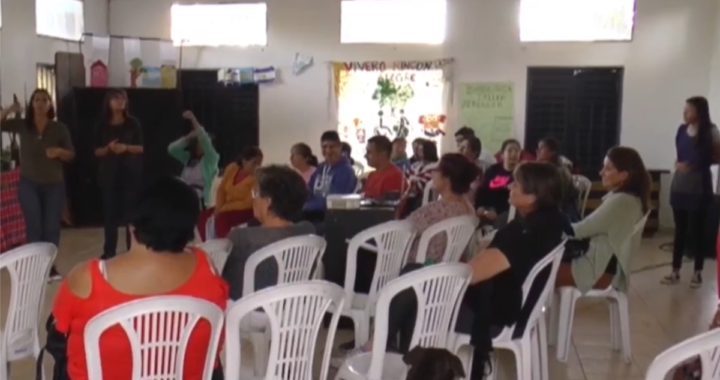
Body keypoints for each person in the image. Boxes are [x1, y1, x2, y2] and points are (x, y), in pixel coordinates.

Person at [336, 162, 568, 379]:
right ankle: (391, 353)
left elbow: (470, 275)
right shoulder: (545, 223)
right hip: (505, 303)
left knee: (413, 285)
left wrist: (436, 272)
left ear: (534, 194)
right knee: (414, 275)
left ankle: (381, 351)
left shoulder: (527, 234)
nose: (509, 185)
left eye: (516, 183)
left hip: (492, 314)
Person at [50, 176, 228, 380]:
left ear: (132, 225)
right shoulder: (208, 268)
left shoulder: (87, 279)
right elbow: (216, 345)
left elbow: (58, 335)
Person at [0, 89, 74, 280]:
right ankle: (36, 268)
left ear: (50, 104)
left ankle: (49, 268)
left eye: (44, 100)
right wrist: (8, 110)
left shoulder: (59, 128)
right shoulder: (24, 126)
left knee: (51, 227)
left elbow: (71, 154)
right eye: (37, 100)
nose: (40, 103)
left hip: (53, 185)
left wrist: (59, 152)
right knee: (34, 227)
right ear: (32, 104)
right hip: (29, 184)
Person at [557, 147, 649, 295]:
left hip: (596, 271)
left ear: (623, 175)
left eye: (607, 169)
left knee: (534, 271)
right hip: (604, 267)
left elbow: (579, 230)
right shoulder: (630, 199)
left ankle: (529, 317)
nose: (601, 173)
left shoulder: (622, 202)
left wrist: (548, 228)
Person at [222, 165, 315, 300]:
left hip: (248, 311)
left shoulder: (241, 238)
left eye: (255, 193)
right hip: (295, 310)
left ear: (267, 202)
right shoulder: (307, 230)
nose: (253, 199)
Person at [663, 96, 720, 287]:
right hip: (679, 186)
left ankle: (697, 273)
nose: (684, 113)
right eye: (684, 109)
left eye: (688, 110)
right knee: (679, 231)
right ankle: (675, 271)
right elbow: (679, 155)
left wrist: (699, 164)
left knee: (698, 231)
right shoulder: (681, 130)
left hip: (699, 188)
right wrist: (678, 165)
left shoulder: (711, 131)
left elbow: (717, 157)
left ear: (699, 111)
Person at [93, 89, 144, 259]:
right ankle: (109, 251)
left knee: (131, 215)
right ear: (108, 102)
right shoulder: (102, 125)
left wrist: (126, 148)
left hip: (130, 173)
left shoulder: (133, 123)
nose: (120, 101)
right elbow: (96, 151)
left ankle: (133, 250)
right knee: (110, 215)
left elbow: (141, 147)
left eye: (123, 98)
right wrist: (108, 148)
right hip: (109, 174)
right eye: (116, 98)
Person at [404, 153, 478, 263]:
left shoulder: (435, 210)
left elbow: (402, 230)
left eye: (437, 170)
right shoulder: (468, 208)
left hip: (419, 269)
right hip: (445, 271)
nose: (433, 173)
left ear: (446, 178)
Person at [168, 110, 220, 241]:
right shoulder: (188, 159)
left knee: (196, 230)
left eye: (202, 144)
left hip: (200, 199)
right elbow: (172, 149)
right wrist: (189, 137)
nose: (201, 146)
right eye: (198, 143)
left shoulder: (211, 159)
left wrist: (193, 120)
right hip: (184, 195)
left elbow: (205, 140)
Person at [213, 147, 263, 238]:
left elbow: (248, 203)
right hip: (226, 206)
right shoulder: (232, 168)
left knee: (222, 219)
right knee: (204, 216)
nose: (257, 166)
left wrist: (223, 209)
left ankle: (226, 244)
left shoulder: (257, 177)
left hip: (245, 209)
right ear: (244, 162)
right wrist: (218, 207)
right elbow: (221, 190)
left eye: (259, 163)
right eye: (254, 163)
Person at [305, 131, 358, 214]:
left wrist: (305, 207)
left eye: (332, 147)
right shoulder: (320, 168)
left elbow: (335, 201)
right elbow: (308, 191)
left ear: (340, 147)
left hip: (331, 216)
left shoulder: (346, 171)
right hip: (312, 213)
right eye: (324, 147)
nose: (328, 151)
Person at [475, 139, 521, 226]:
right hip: (487, 210)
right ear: (502, 155)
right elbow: (482, 191)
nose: (514, 154)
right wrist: (480, 207)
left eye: (517, 151)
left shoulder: (521, 173)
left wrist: (498, 212)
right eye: (510, 151)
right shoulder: (492, 170)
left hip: (507, 213)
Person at [536, 137, 580, 221]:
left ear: (552, 152)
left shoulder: (559, 171)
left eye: (541, 148)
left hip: (562, 210)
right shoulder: (544, 168)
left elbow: (557, 197)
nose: (537, 151)